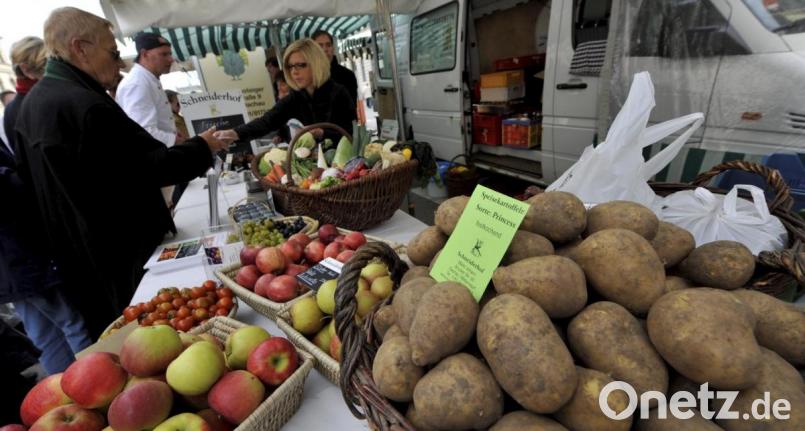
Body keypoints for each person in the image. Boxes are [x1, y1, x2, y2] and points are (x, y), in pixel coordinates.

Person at [12, 7, 228, 339]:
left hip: (78, 256)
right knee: (143, 336)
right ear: (81, 48)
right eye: (113, 52)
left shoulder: (32, 105)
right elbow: (147, 167)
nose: (120, 62)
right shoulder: (85, 106)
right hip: (117, 254)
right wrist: (202, 146)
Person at [1, 35, 93, 375]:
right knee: (72, 324)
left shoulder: (18, 107)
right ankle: (92, 390)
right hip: (24, 251)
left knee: (46, 334)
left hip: (12, 263)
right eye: (44, 67)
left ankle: (68, 398)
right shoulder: (25, 107)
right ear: (27, 68)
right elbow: (26, 181)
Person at [215, 39, 356, 146]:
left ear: (316, 63)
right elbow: (267, 121)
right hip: (310, 171)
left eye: (301, 65)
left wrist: (321, 132)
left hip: (344, 170)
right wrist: (234, 133)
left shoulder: (339, 93)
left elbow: (351, 134)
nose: (294, 71)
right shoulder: (295, 97)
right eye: (290, 66)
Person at [116, 32, 182, 210]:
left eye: (169, 53)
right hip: (153, 167)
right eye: (164, 54)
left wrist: (173, 133)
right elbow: (143, 132)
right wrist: (174, 139)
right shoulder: (137, 83)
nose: (170, 59)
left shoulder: (147, 79)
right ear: (144, 54)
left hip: (161, 161)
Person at [312, 30, 358, 107]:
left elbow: (351, 109)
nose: (325, 49)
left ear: (333, 48)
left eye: (328, 45)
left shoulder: (347, 75)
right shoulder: (307, 76)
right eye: (320, 46)